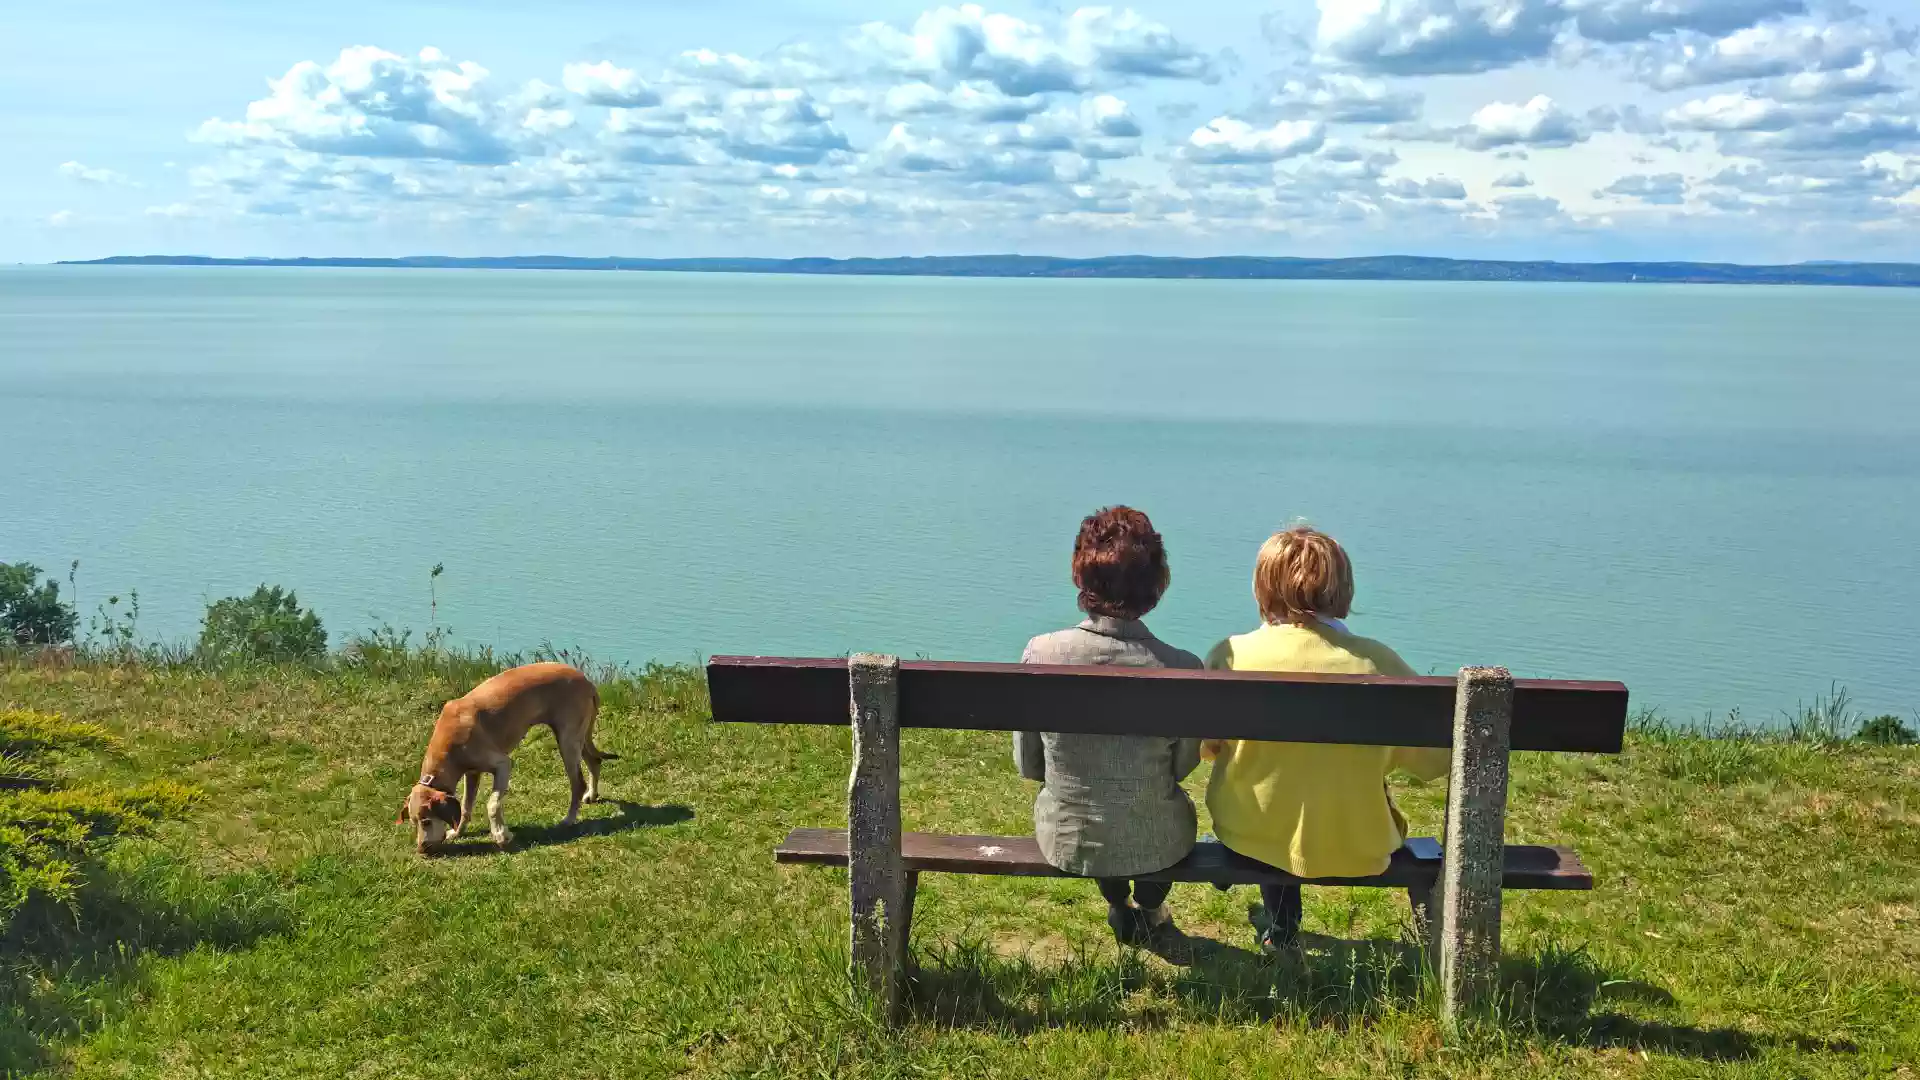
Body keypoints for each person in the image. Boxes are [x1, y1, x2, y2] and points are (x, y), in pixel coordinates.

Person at [1202, 524, 1449, 952]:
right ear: (1343, 588)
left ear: (1262, 587)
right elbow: (1435, 759)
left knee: (1276, 804)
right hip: (1357, 842)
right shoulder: (1378, 662)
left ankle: (1282, 928)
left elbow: (1207, 746)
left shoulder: (1230, 655)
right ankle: (1282, 928)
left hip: (1248, 834)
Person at [1015, 506, 1204, 949]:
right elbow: (1182, 767)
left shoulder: (1040, 655)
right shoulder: (1183, 667)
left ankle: (1118, 901)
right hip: (1159, 839)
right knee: (1154, 817)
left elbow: (1029, 765)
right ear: (1156, 584)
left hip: (1070, 838)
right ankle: (1152, 907)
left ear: (1081, 575)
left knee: (1102, 819)